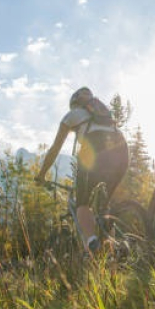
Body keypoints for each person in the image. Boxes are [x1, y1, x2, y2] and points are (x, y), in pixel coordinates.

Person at [35, 87, 129, 255]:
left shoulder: (72, 115)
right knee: (104, 208)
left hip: (96, 148)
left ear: (74, 104)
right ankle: (113, 248)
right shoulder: (103, 116)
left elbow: (55, 149)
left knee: (82, 203)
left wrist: (42, 174)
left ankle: (92, 242)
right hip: (121, 149)